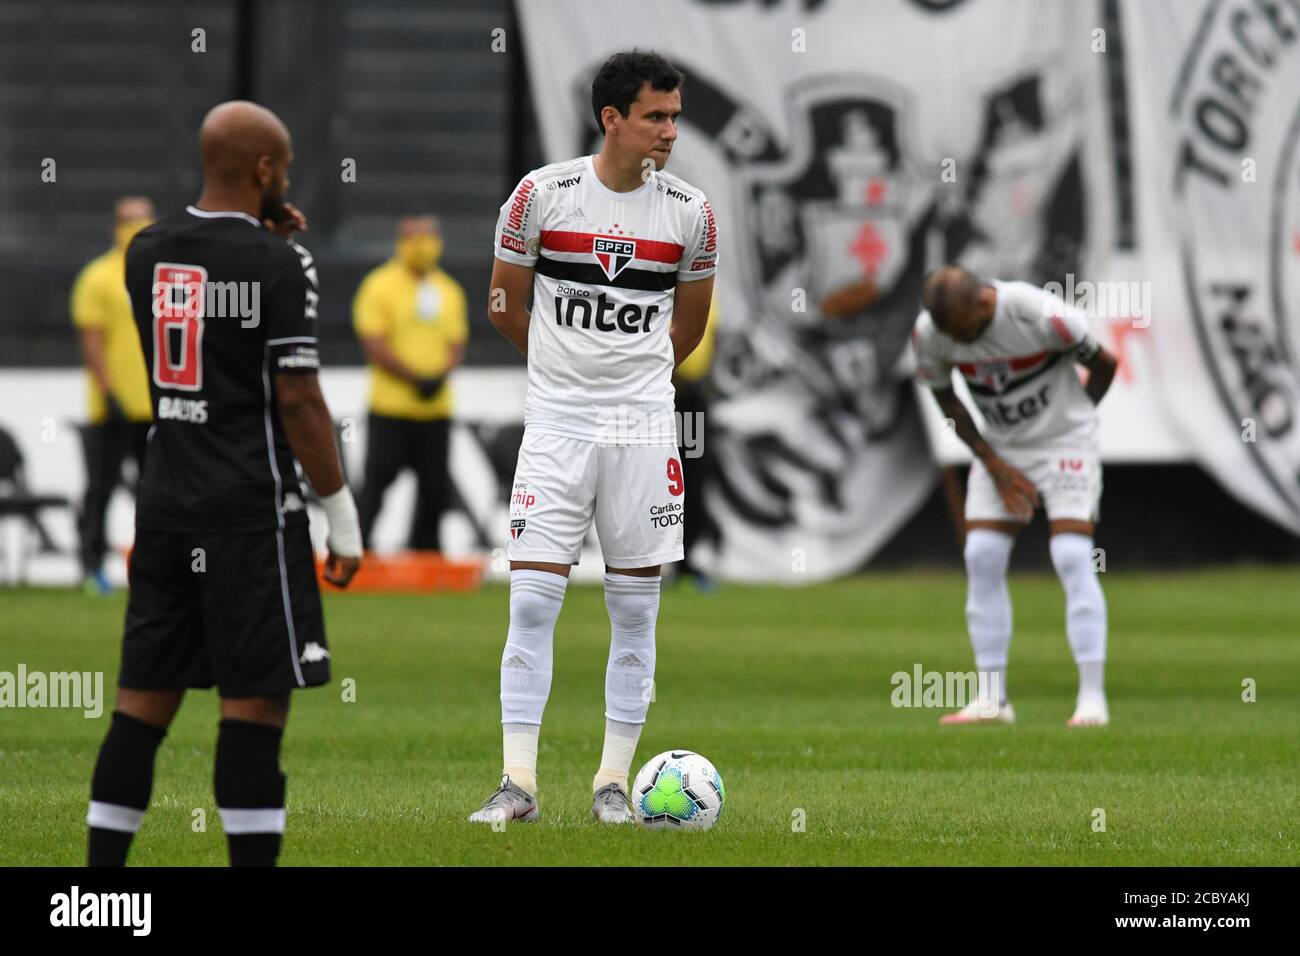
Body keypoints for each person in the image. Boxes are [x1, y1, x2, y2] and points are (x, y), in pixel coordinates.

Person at [86, 101, 362, 867]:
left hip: (166, 505)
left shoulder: (143, 250)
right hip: (247, 511)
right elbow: (299, 397)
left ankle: (99, 890)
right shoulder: (281, 264)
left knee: (140, 708)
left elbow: (208, 293)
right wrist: (340, 517)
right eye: (287, 168)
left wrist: (262, 244)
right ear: (266, 170)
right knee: (253, 711)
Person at [472, 50, 717, 824]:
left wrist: (631, 381)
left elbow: (690, 324)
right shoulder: (540, 196)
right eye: (655, 117)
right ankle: (518, 784)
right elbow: (504, 306)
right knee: (533, 603)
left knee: (636, 612)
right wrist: (568, 375)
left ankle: (613, 783)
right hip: (556, 425)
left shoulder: (690, 212)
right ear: (611, 119)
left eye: (675, 117)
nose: (669, 131)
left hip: (643, 428)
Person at [911, 265, 1118, 727]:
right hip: (1001, 449)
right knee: (982, 554)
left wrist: (1072, 426)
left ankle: (1092, 700)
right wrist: (993, 462)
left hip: (1065, 441)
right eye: (951, 335)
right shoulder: (930, 333)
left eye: (964, 331)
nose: (959, 343)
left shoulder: (1041, 315)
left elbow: (1106, 364)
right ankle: (993, 700)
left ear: (984, 304)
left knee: (1069, 554)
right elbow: (946, 397)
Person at [353, 215, 467, 551]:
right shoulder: (379, 285)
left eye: (431, 237)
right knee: (377, 481)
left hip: (436, 409)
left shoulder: (448, 289)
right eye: (418, 238)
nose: (426, 246)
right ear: (401, 240)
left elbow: (457, 343)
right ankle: (357, 549)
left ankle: (427, 554)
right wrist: (415, 378)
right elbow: (373, 341)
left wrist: (439, 376)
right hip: (391, 406)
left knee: (434, 488)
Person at [72, 196, 155, 593]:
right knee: (101, 488)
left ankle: (155, 565)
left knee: (155, 491)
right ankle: (91, 565)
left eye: (142, 219)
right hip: (112, 408)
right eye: (128, 220)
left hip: (154, 406)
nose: (135, 228)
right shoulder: (98, 277)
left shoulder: (163, 276)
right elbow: (92, 340)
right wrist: (108, 392)